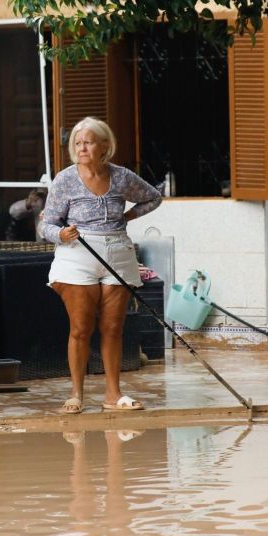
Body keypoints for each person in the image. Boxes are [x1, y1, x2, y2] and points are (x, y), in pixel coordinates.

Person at [39, 117, 163, 414]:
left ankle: (113, 395)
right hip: (78, 253)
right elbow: (46, 225)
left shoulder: (121, 177)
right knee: (81, 328)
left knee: (113, 327)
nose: (82, 148)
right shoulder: (64, 180)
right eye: (78, 143)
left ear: (104, 146)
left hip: (117, 251)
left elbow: (153, 197)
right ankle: (76, 394)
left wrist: (128, 217)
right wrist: (61, 234)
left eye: (88, 142)